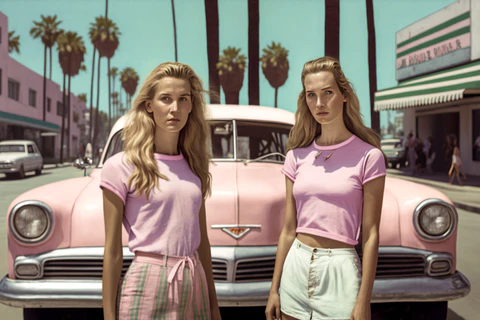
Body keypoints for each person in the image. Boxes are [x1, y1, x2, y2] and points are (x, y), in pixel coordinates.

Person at [265, 57, 386, 320]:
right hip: (295, 268)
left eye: (327, 93)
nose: (319, 103)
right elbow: (288, 230)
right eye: (311, 95)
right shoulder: (295, 156)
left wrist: (364, 300)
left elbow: (371, 234)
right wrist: (274, 290)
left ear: (344, 95)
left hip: (340, 272)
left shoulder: (369, 156)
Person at [100, 62, 221, 320]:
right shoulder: (121, 166)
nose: (174, 108)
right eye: (165, 99)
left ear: (191, 106)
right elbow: (112, 250)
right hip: (147, 281)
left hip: (194, 279)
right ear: (149, 105)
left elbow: (203, 243)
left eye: (183, 99)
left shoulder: (195, 166)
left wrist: (213, 305)